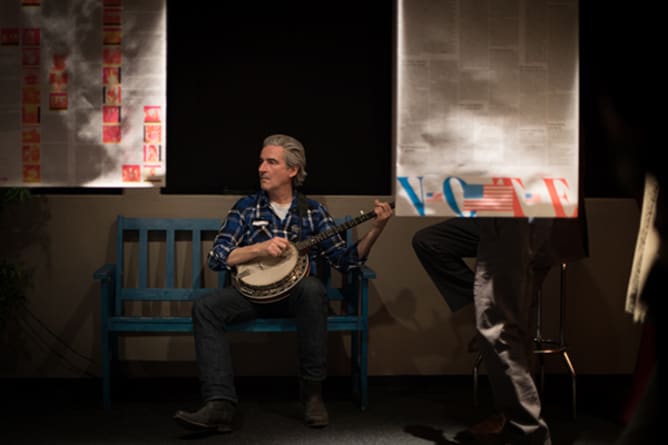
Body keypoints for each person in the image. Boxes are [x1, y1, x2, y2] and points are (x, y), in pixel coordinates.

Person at [173, 133, 393, 433]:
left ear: (292, 170)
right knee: (206, 308)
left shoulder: (313, 211)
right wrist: (259, 249)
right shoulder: (247, 208)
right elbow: (218, 256)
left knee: (313, 288)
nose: (262, 168)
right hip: (251, 297)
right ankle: (219, 405)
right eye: (261, 161)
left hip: (296, 300)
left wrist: (376, 229)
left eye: (271, 162)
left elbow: (346, 261)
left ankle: (312, 395)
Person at [413, 214, 587, 444]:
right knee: (509, 327)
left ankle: (523, 430)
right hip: (516, 216)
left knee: (500, 328)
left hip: (522, 215)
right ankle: (515, 422)